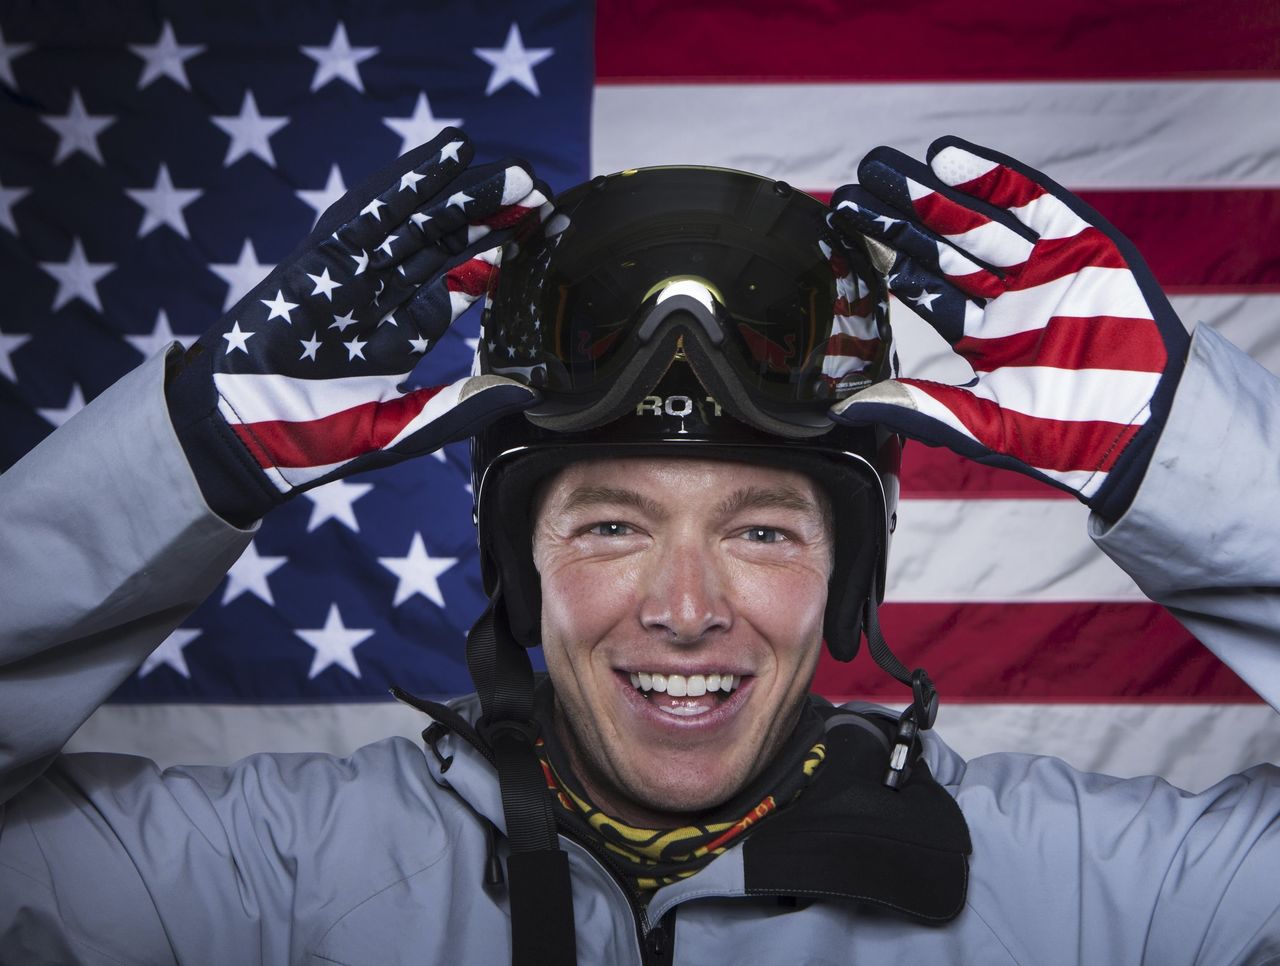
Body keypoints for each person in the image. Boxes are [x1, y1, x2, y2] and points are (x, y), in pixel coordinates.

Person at [1, 128, 1277, 965]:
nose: (683, 608)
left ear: (850, 574)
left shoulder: (1098, 900)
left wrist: (1187, 456)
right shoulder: (266, 886)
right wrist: (186, 458)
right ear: (516, 562)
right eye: (612, 524)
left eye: (761, 529)